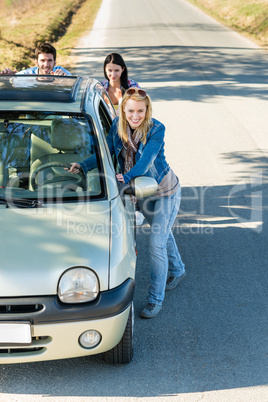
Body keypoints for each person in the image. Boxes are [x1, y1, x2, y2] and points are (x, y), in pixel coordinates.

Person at [67, 87, 186, 319]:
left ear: (147, 110)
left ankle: (155, 299)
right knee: (163, 234)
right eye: (131, 110)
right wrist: (84, 165)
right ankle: (178, 269)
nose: (135, 116)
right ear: (123, 109)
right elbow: (106, 152)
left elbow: (147, 160)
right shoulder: (117, 128)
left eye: (140, 111)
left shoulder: (156, 129)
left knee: (156, 243)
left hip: (164, 192)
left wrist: (127, 177)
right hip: (141, 192)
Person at [0, 42, 71, 76]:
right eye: (42, 60)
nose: (46, 65)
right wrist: (7, 78)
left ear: (55, 63)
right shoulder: (28, 74)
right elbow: (14, 81)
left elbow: (73, 85)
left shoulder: (61, 73)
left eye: (49, 60)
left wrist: (62, 80)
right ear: (36, 62)